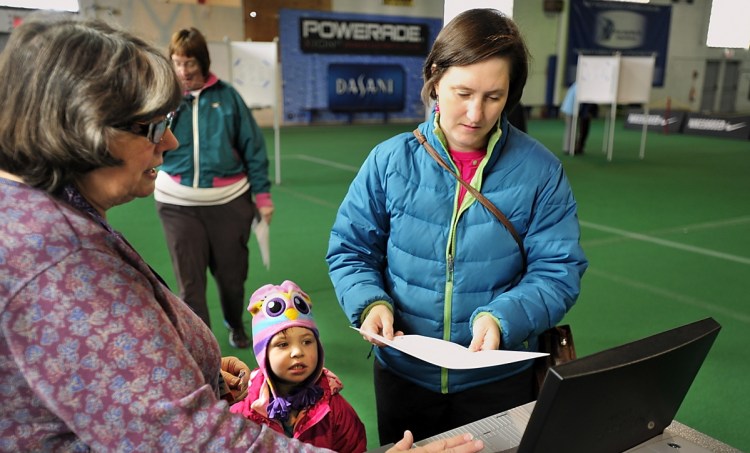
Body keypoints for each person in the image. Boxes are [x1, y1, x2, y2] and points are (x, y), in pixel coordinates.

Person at [0, 13, 485, 453]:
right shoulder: (58, 262)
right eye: (151, 128)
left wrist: (199, 367)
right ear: (81, 130)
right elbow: (189, 442)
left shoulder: (51, 216)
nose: (169, 141)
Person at [326, 8, 588, 446]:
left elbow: (559, 270)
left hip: (499, 380)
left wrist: (503, 318)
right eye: (461, 92)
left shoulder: (541, 171)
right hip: (403, 376)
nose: (474, 112)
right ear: (434, 78)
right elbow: (350, 249)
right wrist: (370, 302)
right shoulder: (389, 161)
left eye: (493, 96)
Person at [154, 27, 273, 349]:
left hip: (229, 200)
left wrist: (262, 197)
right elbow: (149, 141)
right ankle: (202, 343)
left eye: (189, 63)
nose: (183, 70)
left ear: (202, 62)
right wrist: (170, 106)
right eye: (177, 63)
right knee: (190, 285)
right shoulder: (164, 98)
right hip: (176, 202)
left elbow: (253, 147)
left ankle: (235, 323)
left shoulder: (228, 97)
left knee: (232, 280)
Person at [231, 281, 367, 452]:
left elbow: (355, 449)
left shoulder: (334, 409)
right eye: (282, 344)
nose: (297, 352)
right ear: (262, 355)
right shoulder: (243, 416)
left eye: (307, 342)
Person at [560, 82, 598, 155]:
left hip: (571, 108)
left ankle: (570, 148)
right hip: (570, 109)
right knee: (571, 129)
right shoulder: (581, 86)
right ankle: (568, 149)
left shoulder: (579, 84)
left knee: (571, 129)